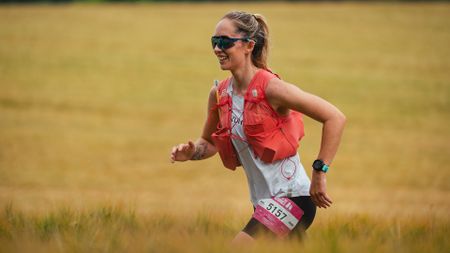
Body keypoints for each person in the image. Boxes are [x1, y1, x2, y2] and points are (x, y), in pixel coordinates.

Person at [170, 11, 346, 244]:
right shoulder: (219, 94)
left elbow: (335, 117)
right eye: (214, 42)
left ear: (248, 45)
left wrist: (319, 172)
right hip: (261, 203)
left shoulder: (273, 89)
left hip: (294, 197)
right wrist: (192, 152)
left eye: (224, 42)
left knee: (240, 247)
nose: (217, 49)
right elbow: (210, 143)